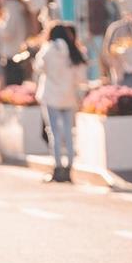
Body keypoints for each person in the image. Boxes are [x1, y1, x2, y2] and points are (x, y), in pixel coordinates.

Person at [34, 24, 90, 183]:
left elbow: (39, 67)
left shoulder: (48, 49)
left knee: (54, 134)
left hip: (51, 95)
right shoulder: (74, 51)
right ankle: (69, 169)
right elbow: (81, 78)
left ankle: (58, 168)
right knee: (68, 133)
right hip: (69, 97)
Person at [0, 0, 28, 82]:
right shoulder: (16, 8)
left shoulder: (12, 10)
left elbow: (8, 33)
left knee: (12, 86)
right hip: (17, 51)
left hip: (12, 54)